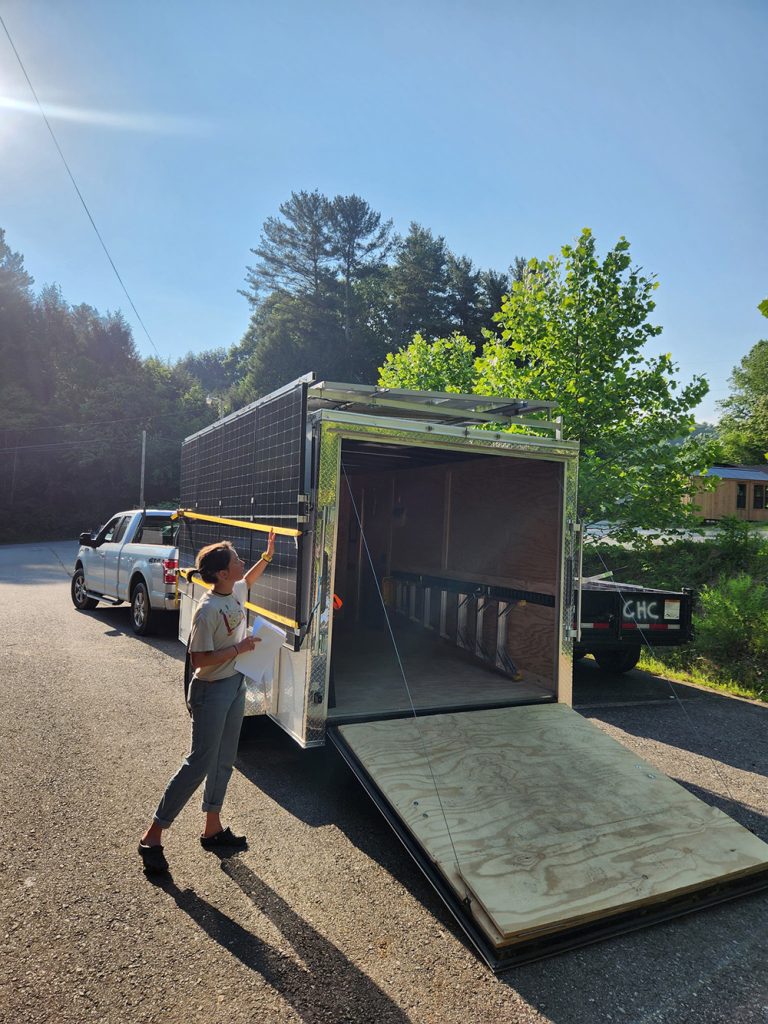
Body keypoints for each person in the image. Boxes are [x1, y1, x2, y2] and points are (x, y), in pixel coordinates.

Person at [138, 531, 275, 875]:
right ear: (222, 573)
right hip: (211, 691)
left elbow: (248, 579)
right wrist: (239, 649)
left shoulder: (233, 591)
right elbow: (198, 660)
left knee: (224, 758)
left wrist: (268, 555)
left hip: (234, 685)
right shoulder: (208, 609)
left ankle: (212, 829)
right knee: (198, 762)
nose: (241, 563)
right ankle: (152, 837)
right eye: (236, 560)